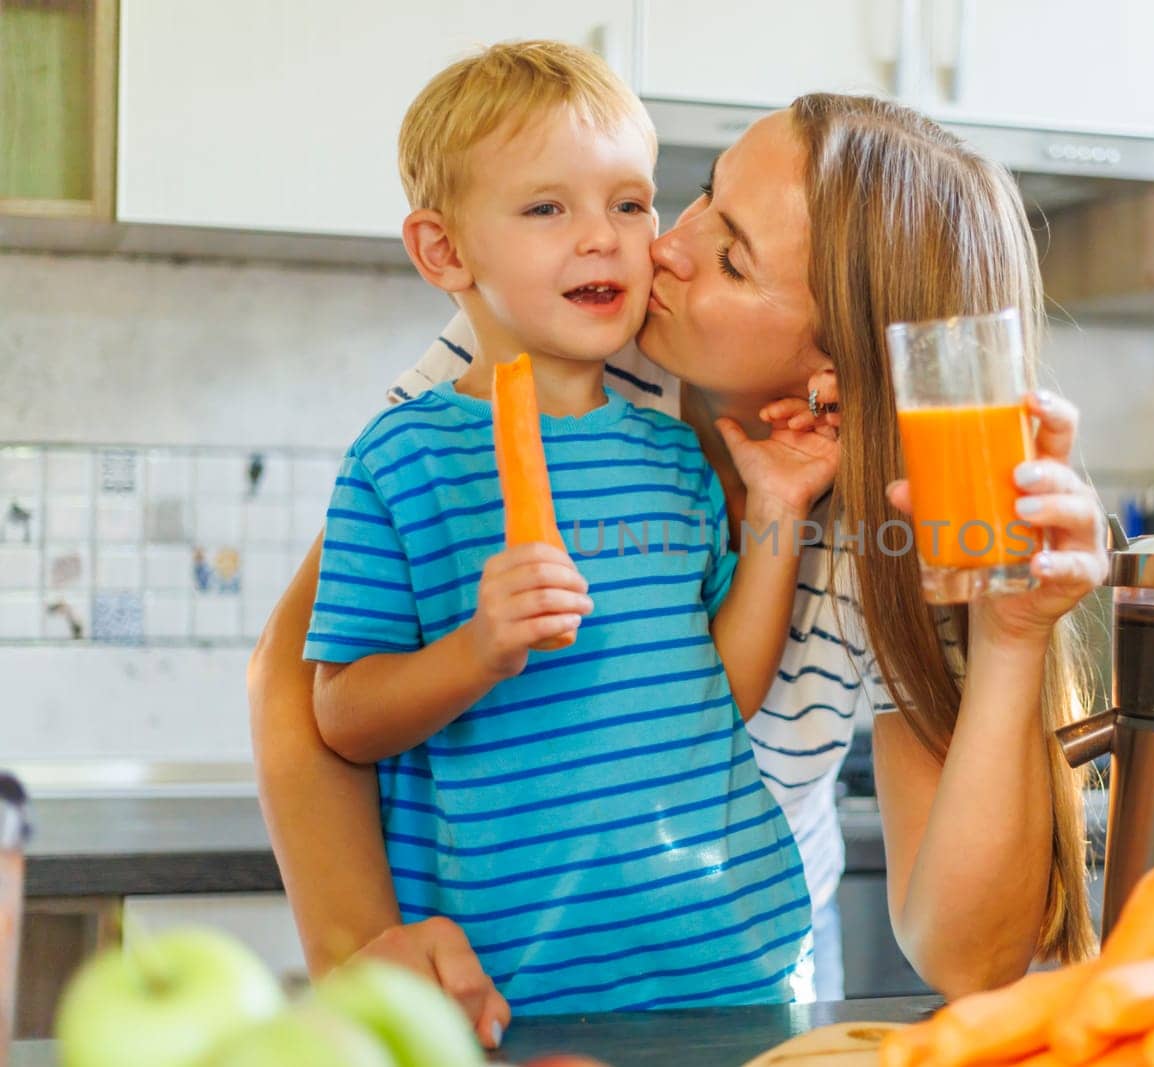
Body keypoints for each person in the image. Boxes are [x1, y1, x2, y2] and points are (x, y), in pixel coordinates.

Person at [250, 90, 1109, 1046]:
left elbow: (967, 957)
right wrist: (369, 950)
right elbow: (295, 680)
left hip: (734, 986)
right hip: (508, 984)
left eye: (733, 257)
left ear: (837, 370)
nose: (662, 245)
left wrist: (1012, 635)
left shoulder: (915, 517)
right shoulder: (563, 348)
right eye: (699, 195)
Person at [297, 40, 845, 1025]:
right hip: (511, 989)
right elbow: (340, 714)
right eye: (548, 208)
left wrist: (774, 511)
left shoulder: (677, 455)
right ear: (444, 252)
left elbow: (719, 693)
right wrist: (476, 651)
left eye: (629, 203)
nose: (605, 238)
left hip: (728, 969)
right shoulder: (402, 459)